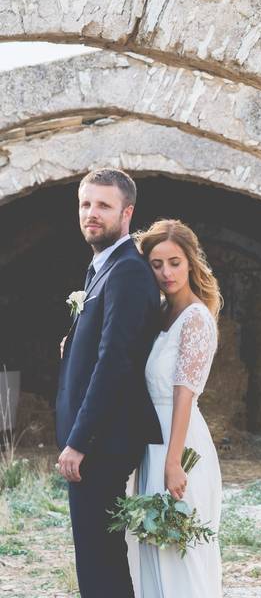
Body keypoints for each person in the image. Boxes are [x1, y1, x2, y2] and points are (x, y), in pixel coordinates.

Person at [56, 168, 164, 598]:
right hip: (95, 437)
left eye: (103, 205)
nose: (91, 214)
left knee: (100, 557)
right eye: (85, 204)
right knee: (96, 553)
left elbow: (115, 362)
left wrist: (80, 439)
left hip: (103, 439)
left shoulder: (127, 271)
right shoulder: (101, 267)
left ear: (127, 212)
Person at [132, 218, 223, 597]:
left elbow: (185, 393)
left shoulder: (196, 319)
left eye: (174, 262)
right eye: (156, 264)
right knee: (152, 545)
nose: (166, 272)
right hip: (152, 441)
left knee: (179, 547)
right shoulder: (160, 313)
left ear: (190, 262)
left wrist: (173, 462)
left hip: (180, 442)